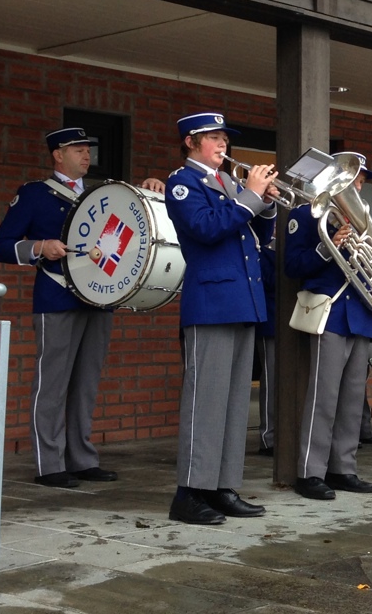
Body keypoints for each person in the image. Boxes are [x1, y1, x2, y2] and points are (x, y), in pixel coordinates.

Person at [0, 127, 164, 488]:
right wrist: (40, 247)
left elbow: (131, 220)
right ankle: (49, 464)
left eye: (88, 150)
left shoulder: (102, 195)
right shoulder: (35, 195)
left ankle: (81, 458)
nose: (87, 156)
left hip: (98, 298)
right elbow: (1, 246)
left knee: (86, 383)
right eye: (79, 150)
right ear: (57, 154)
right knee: (51, 384)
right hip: (55, 297)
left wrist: (147, 189)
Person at [165, 112, 277, 525]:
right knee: (204, 401)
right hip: (211, 302)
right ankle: (189, 492)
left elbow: (254, 238)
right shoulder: (183, 182)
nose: (222, 144)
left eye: (224, 138)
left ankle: (221, 486)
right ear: (191, 142)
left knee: (232, 403)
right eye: (213, 137)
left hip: (242, 300)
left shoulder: (230, 183)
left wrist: (264, 203)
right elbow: (207, 227)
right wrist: (249, 197)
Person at [284, 152, 372, 501]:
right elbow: (293, 265)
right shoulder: (306, 215)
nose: (358, 184)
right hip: (332, 312)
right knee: (324, 396)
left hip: (362, 315)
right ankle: (310, 471)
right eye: (354, 178)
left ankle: (343, 468)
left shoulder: (364, 219)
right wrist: (329, 247)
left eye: (362, 179)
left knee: (353, 399)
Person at [255, 239, 276, 456]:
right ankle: (267, 437)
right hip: (270, 323)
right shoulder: (263, 247)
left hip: (293, 323)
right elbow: (268, 280)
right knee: (271, 382)